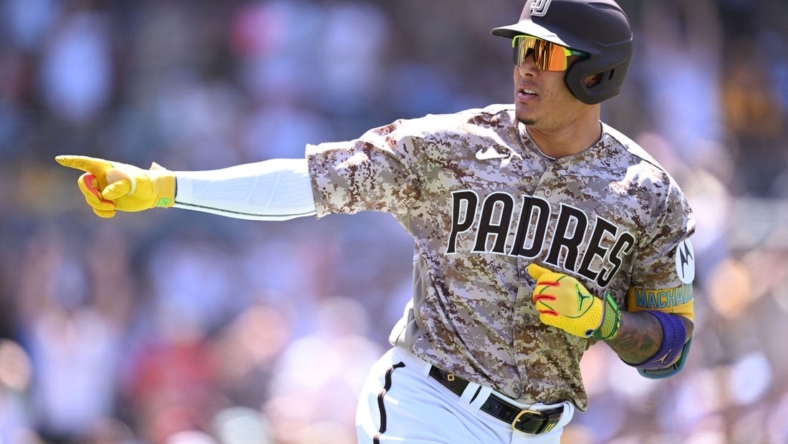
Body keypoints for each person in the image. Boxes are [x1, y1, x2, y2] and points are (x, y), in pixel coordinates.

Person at [56, 0, 696, 442]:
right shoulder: (453, 145)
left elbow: (671, 347)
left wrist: (604, 320)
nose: (526, 65)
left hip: (541, 429)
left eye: (548, 54)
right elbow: (307, 182)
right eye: (522, 46)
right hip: (430, 406)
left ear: (597, 73)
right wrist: (166, 187)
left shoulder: (647, 193)